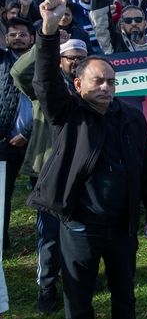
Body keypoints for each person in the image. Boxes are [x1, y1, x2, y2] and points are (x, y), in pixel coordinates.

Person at [27, 0, 147, 319]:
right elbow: (44, 82)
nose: (105, 87)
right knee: (78, 300)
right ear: (78, 84)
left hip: (122, 227)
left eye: (111, 82)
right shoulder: (68, 113)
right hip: (79, 226)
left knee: (124, 299)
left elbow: (146, 170)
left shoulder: (132, 117)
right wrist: (47, 32)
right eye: (97, 81)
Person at [11, 36, 86, 314]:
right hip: (49, 170)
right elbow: (19, 72)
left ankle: (77, 278)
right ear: (59, 61)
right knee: (51, 233)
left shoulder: (91, 87)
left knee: (79, 229)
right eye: (71, 57)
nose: (76, 62)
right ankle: (47, 285)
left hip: (83, 171)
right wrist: (46, 42)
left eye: (81, 57)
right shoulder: (43, 86)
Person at [1, 17, 34, 251]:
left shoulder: (43, 62)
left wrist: (27, 131)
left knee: (47, 193)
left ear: (32, 38)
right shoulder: (1, 61)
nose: (17, 38)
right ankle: (2, 240)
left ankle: (51, 241)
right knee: (2, 193)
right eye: (12, 34)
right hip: (5, 139)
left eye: (23, 34)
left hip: (38, 139)